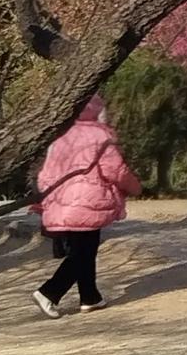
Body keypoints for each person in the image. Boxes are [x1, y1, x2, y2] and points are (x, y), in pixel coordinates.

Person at [33, 96, 141, 318]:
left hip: (63, 200)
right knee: (83, 252)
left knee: (84, 249)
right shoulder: (100, 136)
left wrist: (47, 199)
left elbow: (45, 175)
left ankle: (90, 296)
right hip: (89, 199)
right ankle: (49, 292)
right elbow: (115, 170)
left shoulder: (62, 136)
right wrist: (135, 187)